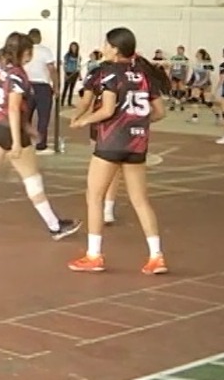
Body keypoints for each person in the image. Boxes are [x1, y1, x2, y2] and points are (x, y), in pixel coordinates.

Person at [0, 32, 81, 240]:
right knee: (32, 179)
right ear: (26, 52)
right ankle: (55, 226)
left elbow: (11, 105)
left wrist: (28, 127)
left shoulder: (6, 71)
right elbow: (13, 108)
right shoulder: (19, 74)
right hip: (8, 129)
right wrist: (17, 142)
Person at [68, 27, 170, 274]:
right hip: (138, 144)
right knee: (140, 200)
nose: (103, 48)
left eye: (106, 44)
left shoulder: (110, 73)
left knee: (94, 196)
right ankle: (156, 255)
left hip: (112, 142)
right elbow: (159, 112)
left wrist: (83, 121)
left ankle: (94, 254)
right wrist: (138, 122)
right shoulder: (143, 74)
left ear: (115, 49)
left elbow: (107, 110)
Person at [71, 53, 121, 225]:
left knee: (99, 165)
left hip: (101, 122)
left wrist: (77, 117)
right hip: (119, 125)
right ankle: (108, 208)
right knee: (115, 169)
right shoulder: (130, 74)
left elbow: (85, 102)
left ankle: (100, 205)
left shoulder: (97, 72)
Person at [24, 28, 58, 154]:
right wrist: (56, 86)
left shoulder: (24, 51)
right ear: (39, 37)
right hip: (42, 86)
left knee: (25, 116)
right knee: (43, 117)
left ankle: (24, 141)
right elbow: (52, 70)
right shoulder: (45, 51)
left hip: (26, 86)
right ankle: (41, 144)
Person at [187, 48, 218, 124]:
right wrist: (190, 83)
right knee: (194, 99)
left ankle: (217, 114)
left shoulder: (206, 64)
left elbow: (207, 75)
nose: (196, 54)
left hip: (205, 84)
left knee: (207, 102)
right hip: (197, 84)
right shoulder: (195, 64)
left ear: (201, 55)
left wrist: (201, 83)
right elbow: (194, 75)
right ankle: (195, 117)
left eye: (197, 53)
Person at [168, 46, 190, 111]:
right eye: (178, 50)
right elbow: (171, 67)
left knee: (181, 90)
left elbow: (186, 69)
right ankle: (173, 104)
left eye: (181, 50)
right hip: (174, 75)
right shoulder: (174, 58)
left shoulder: (185, 59)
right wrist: (170, 75)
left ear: (183, 51)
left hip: (181, 76)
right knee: (173, 90)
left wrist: (185, 77)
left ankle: (181, 105)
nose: (179, 51)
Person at [61, 42, 81, 107]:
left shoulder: (78, 56)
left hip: (75, 73)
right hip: (68, 73)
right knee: (65, 88)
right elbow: (65, 64)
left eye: (75, 46)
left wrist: (79, 74)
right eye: (72, 46)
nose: (73, 48)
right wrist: (65, 73)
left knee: (72, 88)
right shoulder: (67, 55)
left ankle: (69, 102)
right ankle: (62, 102)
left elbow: (78, 66)